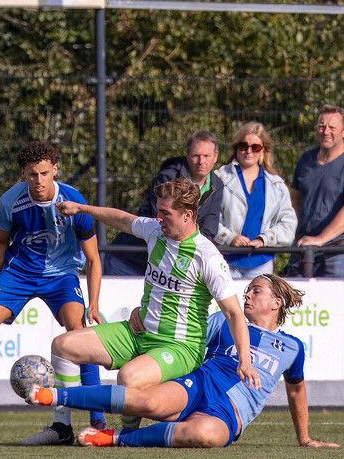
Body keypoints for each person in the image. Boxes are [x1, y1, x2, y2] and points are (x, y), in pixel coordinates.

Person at [24, 274, 340, 450]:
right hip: (198, 383)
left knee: (207, 436)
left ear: (276, 302)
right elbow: (182, 335)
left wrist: (304, 438)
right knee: (144, 401)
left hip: (228, 412)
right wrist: (144, 317)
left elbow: (296, 392)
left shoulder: (292, 347)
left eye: (255, 292)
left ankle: (117, 438)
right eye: (246, 292)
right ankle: (53, 395)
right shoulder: (222, 321)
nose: (246, 297)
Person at [54, 178, 259, 431]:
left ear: (187, 215)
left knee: (128, 377)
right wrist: (83, 209)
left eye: (165, 213)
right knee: (63, 345)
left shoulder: (207, 257)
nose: (158, 217)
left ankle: (126, 433)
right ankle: (61, 427)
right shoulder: (155, 231)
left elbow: (234, 313)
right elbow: (122, 219)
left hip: (180, 346)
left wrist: (245, 360)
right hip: (138, 332)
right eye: (158, 210)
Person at [0, 141, 104, 445]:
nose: (39, 181)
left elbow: (93, 259)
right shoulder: (11, 201)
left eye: (45, 173)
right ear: (23, 174)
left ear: (55, 170)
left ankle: (97, 419)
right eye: (32, 175)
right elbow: (0, 242)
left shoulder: (74, 202)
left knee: (79, 333)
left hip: (61, 276)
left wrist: (94, 304)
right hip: (19, 272)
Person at [103, 130, 224, 276]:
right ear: (187, 155)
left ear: (216, 157)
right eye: (195, 156)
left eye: (206, 156)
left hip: (171, 265)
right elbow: (160, 220)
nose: (201, 162)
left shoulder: (217, 185)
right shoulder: (168, 178)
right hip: (129, 260)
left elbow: (209, 230)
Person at [288, 105, 344, 277]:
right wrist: (293, 235)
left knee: (336, 302)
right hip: (304, 247)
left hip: (339, 249)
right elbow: (295, 201)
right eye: (321, 126)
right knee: (296, 300)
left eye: (332, 127)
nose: (326, 131)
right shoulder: (305, 159)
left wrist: (321, 239)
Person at [214, 122, 297, 279]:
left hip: (261, 262)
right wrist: (229, 238)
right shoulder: (220, 178)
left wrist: (264, 239)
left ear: (263, 150)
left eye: (255, 147)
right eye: (243, 146)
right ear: (236, 148)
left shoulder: (276, 185)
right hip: (225, 259)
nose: (249, 151)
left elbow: (288, 224)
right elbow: (207, 218)